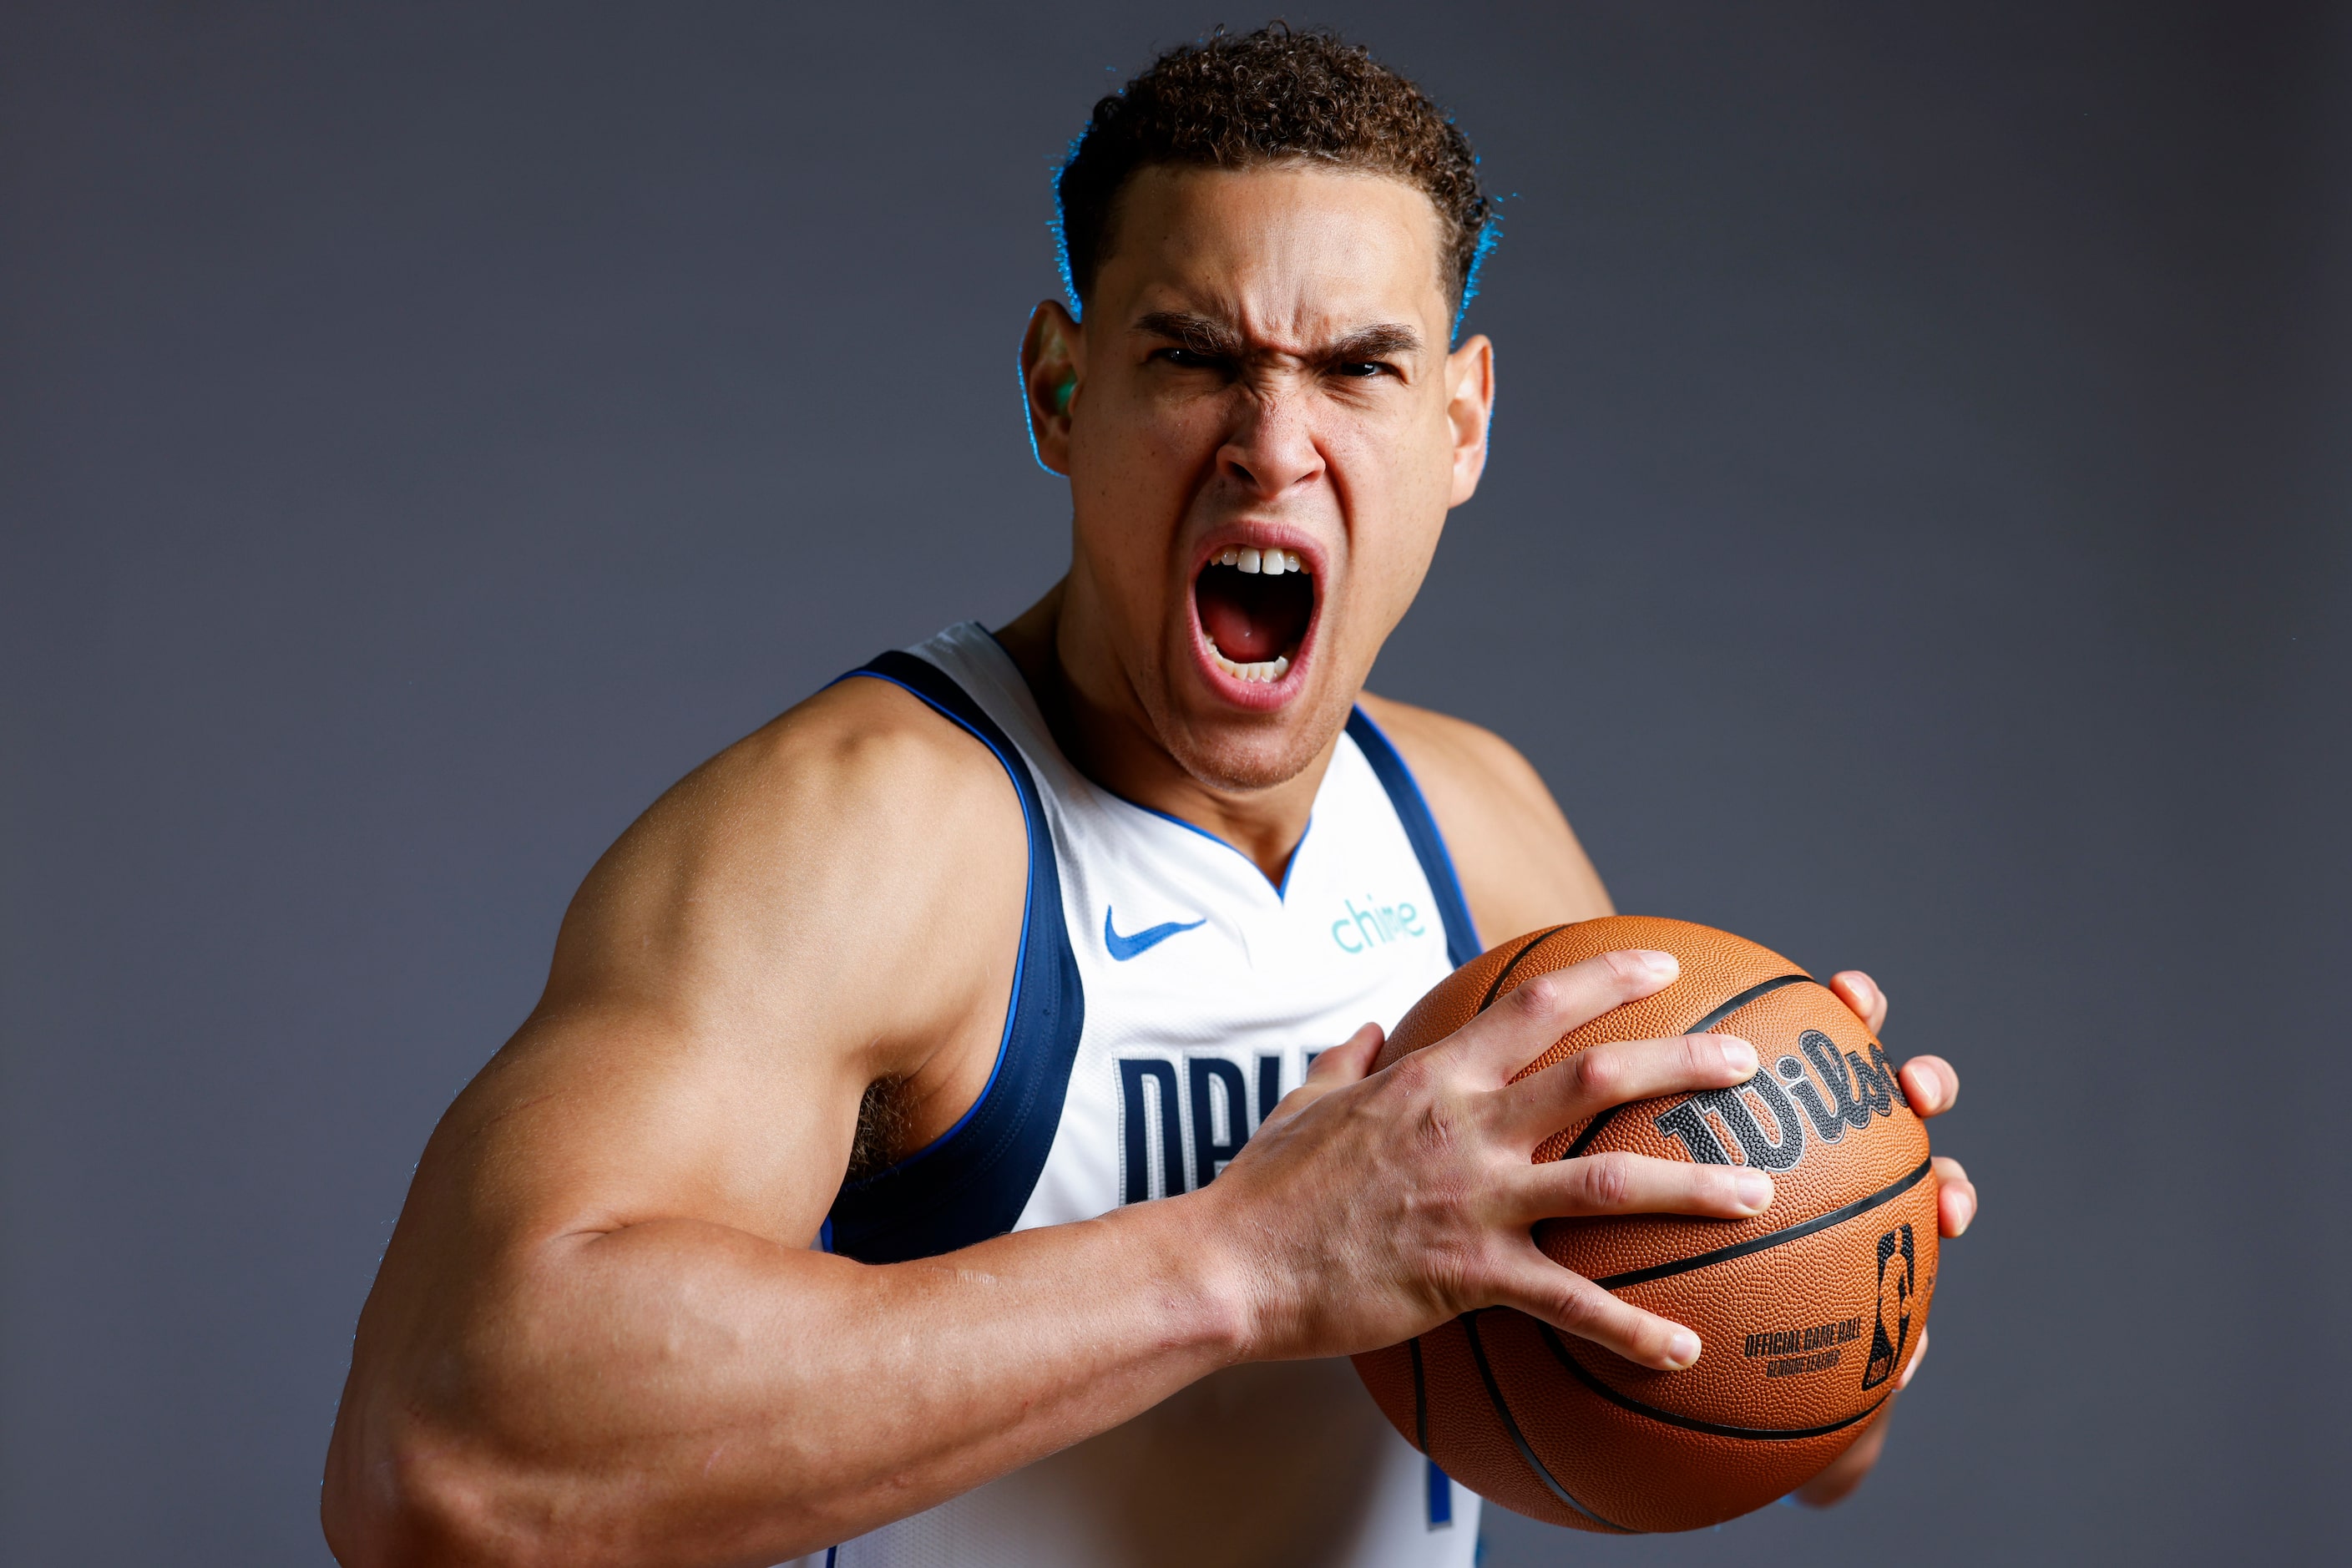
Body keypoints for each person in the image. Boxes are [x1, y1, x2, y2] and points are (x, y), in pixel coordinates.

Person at [321, 25, 1976, 1568]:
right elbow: (439, 1460)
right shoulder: (868, 836)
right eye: (1194, 358)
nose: (1270, 444)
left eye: (1355, 371)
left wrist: (1832, 1252)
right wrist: (1249, 1258)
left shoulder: (1467, 826)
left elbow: (1783, 1442)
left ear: (1460, 423)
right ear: (1061, 390)